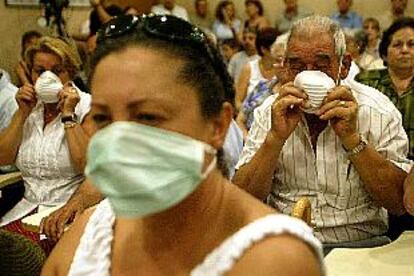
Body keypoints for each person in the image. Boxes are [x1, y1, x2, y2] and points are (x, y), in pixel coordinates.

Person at [41, 14, 324, 275]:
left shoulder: (276, 260)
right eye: (103, 118)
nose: (119, 139)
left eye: (147, 116)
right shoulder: (90, 233)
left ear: (218, 125)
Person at [233, 15, 413, 254]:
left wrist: (352, 139)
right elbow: (242, 199)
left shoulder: (377, 110)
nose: (308, 76)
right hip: (288, 247)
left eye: (320, 65)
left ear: (345, 65)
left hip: (362, 246)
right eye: (297, 66)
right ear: (285, 67)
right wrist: (275, 139)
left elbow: (399, 204)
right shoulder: (270, 112)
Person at [0, 37, 93, 251]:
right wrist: (21, 115)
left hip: (66, 213)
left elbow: (88, 167)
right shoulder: (29, 107)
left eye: (57, 70)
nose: (47, 78)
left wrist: (68, 115)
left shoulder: (88, 107)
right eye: (39, 71)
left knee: (23, 257)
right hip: (25, 209)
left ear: (70, 72)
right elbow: (4, 158)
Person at [355, 17, 414, 161]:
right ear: (384, 54)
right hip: (374, 162)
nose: (405, 50)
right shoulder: (365, 81)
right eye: (397, 45)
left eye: (412, 44)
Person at [235, 27, 278, 117]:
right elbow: (237, 101)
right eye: (276, 47)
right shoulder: (249, 68)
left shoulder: (281, 69)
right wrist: (249, 114)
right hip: (250, 120)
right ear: (264, 49)